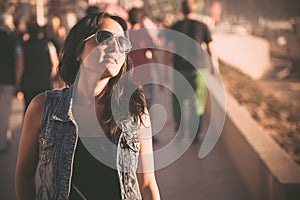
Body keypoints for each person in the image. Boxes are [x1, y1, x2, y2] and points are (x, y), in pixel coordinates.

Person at [15, 12, 160, 200]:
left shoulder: (135, 111)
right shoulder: (43, 108)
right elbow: (25, 173)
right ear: (78, 51)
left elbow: (147, 184)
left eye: (122, 43)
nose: (116, 47)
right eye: (105, 38)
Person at [168, 0, 218, 142]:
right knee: (197, 101)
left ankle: (181, 131)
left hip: (179, 69)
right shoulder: (202, 26)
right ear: (194, 8)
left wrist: (164, 69)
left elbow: (169, 51)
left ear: (181, 10)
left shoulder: (176, 26)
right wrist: (215, 67)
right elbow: (211, 50)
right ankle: (195, 134)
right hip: (198, 69)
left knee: (179, 100)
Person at [16, 20, 59, 112]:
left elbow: (20, 65)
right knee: (45, 110)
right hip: (44, 83)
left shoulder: (23, 46)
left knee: (29, 109)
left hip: (28, 83)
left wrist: (18, 83)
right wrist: (51, 77)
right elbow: (55, 63)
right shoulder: (47, 44)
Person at [0, 13, 17, 152]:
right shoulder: (12, 40)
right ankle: (3, 141)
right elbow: (17, 61)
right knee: (5, 112)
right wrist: (17, 82)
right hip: (7, 80)